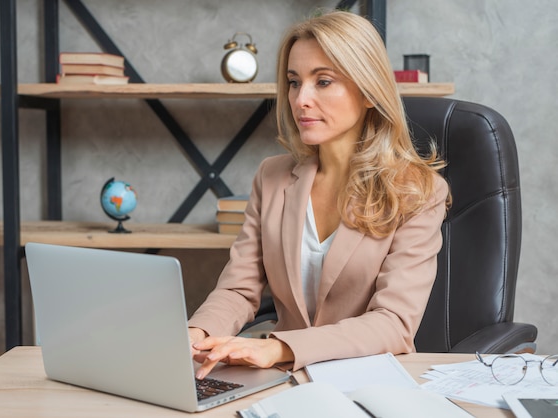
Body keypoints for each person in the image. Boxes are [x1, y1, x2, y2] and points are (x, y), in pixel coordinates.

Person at [188, 10, 450, 380]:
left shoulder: (417, 191)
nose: (300, 100)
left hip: (370, 381)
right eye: (294, 83)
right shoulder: (272, 177)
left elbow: (393, 323)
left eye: (323, 82)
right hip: (282, 381)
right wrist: (195, 336)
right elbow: (238, 289)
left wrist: (280, 347)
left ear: (369, 92)